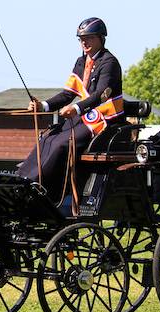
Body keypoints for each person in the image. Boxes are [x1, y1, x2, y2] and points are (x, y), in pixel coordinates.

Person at [16, 17, 124, 201]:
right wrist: (43, 106)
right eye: (81, 38)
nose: (84, 42)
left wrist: (75, 108)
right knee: (48, 137)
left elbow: (100, 95)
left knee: (61, 143)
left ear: (100, 38)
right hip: (85, 115)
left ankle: (41, 187)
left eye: (88, 37)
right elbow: (67, 94)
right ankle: (22, 180)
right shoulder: (81, 62)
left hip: (105, 119)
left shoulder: (109, 62)